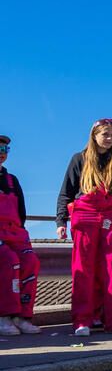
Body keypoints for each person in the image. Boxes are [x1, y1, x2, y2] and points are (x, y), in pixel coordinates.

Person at [56, 119, 112, 336]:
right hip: (85, 216)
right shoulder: (79, 159)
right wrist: (61, 220)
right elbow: (67, 190)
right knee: (83, 269)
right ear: (94, 135)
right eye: (105, 134)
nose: (109, 139)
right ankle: (82, 320)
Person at [0, 134, 41, 336]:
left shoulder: (11, 180)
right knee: (9, 261)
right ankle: (4, 316)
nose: (1, 154)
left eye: (4, 150)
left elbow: (21, 213)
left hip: (14, 233)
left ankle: (22, 317)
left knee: (30, 261)